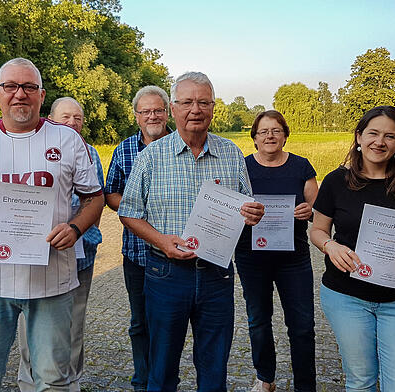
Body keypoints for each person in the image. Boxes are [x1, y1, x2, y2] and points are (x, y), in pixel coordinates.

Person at [0, 58, 104, 391]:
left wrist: (74, 229)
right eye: (11, 87)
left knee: (52, 379)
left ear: (41, 95)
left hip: (52, 281)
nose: (20, 94)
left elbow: (94, 198)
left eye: (29, 87)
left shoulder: (67, 140)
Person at [118, 72, 264, 392]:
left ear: (213, 108)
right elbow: (129, 212)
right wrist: (160, 241)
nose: (195, 109)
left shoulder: (231, 153)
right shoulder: (151, 157)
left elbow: (246, 205)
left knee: (214, 368)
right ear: (173, 108)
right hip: (166, 273)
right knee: (162, 367)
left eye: (203, 102)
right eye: (187, 102)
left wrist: (252, 214)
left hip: (217, 274)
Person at [310, 106, 395, 392]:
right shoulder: (335, 181)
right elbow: (317, 230)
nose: (379, 142)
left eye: (390, 136)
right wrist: (330, 246)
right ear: (359, 136)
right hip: (346, 297)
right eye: (373, 133)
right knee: (360, 381)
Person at [18, 97, 105, 392]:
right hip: (34, 251)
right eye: (65, 117)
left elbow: (95, 200)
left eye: (78, 118)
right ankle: (30, 379)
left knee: (74, 321)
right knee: (29, 318)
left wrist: (80, 231)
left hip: (80, 253)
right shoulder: (29, 147)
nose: (72, 123)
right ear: (50, 118)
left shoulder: (91, 152)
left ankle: (71, 380)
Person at [235, 110, 318, 392]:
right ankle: (265, 378)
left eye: (276, 130)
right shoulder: (241, 168)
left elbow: (318, 212)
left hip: (293, 257)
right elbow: (232, 209)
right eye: (263, 132)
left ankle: (305, 386)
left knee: (303, 325)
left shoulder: (301, 167)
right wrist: (241, 214)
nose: (270, 136)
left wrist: (310, 211)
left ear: (285, 135)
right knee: (258, 320)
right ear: (255, 138)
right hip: (251, 256)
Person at [104, 85, 172, 391]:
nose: (152, 116)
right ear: (136, 116)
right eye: (146, 111)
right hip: (137, 253)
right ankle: (142, 381)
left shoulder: (181, 144)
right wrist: (135, 208)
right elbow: (110, 193)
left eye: (158, 110)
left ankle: (165, 378)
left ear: (168, 112)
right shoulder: (124, 150)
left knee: (170, 323)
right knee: (140, 323)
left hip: (175, 253)